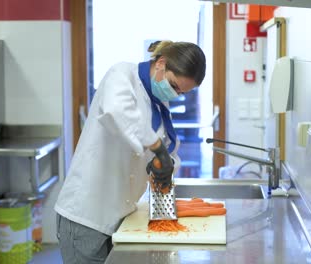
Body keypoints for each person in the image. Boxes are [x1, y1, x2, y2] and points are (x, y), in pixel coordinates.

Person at [55, 40, 206, 263]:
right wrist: (157, 149)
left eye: (181, 92)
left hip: (123, 217)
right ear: (161, 63)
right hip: (86, 215)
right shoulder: (122, 74)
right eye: (174, 86)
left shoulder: (159, 103)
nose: (174, 95)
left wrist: (167, 164)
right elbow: (119, 113)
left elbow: (167, 148)